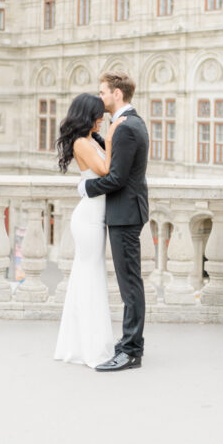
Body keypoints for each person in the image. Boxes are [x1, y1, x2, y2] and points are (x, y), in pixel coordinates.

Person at [78, 71, 149, 372]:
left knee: (130, 284)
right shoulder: (129, 123)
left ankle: (131, 351)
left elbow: (117, 177)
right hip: (127, 212)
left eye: (104, 92)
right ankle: (129, 343)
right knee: (128, 282)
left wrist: (86, 188)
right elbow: (118, 161)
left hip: (125, 214)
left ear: (117, 94)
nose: (100, 97)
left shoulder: (125, 128)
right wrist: (99, 137)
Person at [53, 93, 127, 368]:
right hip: (88, 219)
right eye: (98, 115)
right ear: (88, 115)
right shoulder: (82, 143)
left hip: (95, 216)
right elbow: (107, 169)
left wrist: (105, 139)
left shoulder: (88, 141)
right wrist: (111, 137)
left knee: (89, 277)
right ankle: (88, 346)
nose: (101, 118)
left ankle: (82, 343)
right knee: (89, 276)